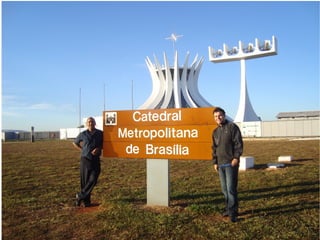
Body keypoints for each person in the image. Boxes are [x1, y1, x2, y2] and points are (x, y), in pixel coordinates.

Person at [212, 107, 243, 222]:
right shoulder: (215, 132)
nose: (218, 118)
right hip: (220, 164)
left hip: (230, 163)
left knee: (231, 188)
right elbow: (214, 148)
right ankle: (228, 208)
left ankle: (233, 212)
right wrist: (215, 162)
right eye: (215, 116)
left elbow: (238, 143)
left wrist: (236, 157)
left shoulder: (232, 127)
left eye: (220, 115)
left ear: (224, 115)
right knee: (224, 190)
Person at [73, 117, 103, 207]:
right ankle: (86, 202)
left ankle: (80, 195)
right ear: (86, 124)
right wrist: (82, 150)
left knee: (93, 178)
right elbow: (75, 143)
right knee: (85, 181)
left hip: (95, 159)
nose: (90, 123)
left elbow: (105, 143)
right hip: (85, 159)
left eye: (92, 121)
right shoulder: (83, 134)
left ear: (95, 123)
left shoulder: (100, 133)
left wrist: (99, 148)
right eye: (89, 122)